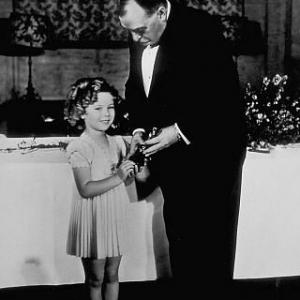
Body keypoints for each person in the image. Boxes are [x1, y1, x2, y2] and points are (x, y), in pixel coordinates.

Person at [118, 0, 247, 298]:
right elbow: (136, 86)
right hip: (174, 156)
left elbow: (221, 96)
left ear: (162, 12)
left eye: (139, 30)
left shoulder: (201, 29)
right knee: (180, 240)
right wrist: (138, 129)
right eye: (131, 32)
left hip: (211, 153)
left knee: (208, 249)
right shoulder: (141, 29)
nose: (136, 39)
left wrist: (177, 132)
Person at [64, 77, 137, 300]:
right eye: (98, 108)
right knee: (95, 279)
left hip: (114, 215)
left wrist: (133, 166)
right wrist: (119, 176)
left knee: (113, 275)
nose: (106, 114)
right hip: (94, 218)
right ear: (81, 112)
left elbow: (129, 180)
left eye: (110, 107)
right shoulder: (80, 146)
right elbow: (85, 189)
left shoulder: (117, 143)